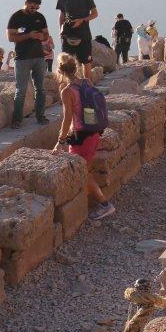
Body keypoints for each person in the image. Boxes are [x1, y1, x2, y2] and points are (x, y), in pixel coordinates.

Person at [55, 53, 115, 220]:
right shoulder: (86, 82)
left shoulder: (67, 91)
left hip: (81, 137)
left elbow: (68, 119)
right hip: (93, 132)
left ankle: (105, 204)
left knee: (83, 172)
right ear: (76, 67)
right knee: (85, 169)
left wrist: (60, 141)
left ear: (59, 71)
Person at [7, 0, 51, 129]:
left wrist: (41, 37)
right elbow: (10, 37)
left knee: (41, 89)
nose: (34, 10)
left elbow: (46, 34)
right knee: (21, 90)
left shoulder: (40, 17)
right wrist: (28, 35)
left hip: (39, 57)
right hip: (22, 58)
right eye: (32, 7)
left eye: (37, 7)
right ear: (26, 3)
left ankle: (40, 116)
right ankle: (17, 120)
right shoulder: (16, 17)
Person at [56, 0, 98, 65]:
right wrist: (61, 31)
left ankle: (87, 76)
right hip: (68, 34)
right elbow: (62, 15)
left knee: (86, 63)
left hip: (84, 34)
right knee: (66, 63)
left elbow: (95, 13)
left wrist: (82, 20)